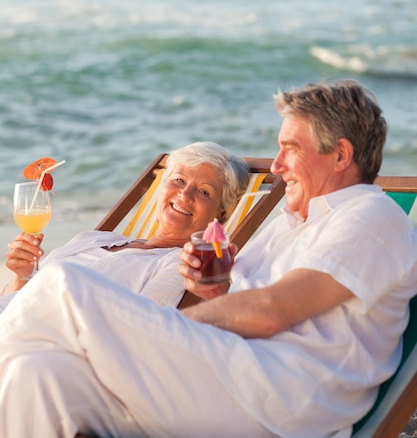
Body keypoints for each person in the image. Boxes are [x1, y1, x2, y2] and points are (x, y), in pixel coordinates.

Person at [0, 79, 416, 438]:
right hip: (227, 381)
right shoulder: (290, 222)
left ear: (341, 156)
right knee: (37, 372)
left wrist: (159, 329)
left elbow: (272, 311)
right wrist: (217, 292)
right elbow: (256, 308)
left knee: (64, 285)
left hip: (277, 401)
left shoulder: (370, 216)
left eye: (290, 149)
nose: (277, 165)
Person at [0, 141, 249, 311]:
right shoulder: (93, 238)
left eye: (204, 191)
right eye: (179, 180)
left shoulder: (177, 266)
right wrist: (22, 276)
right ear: (162, 188)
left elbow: (137, 333)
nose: (185, 194)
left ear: (221, 213)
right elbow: (14, 298)